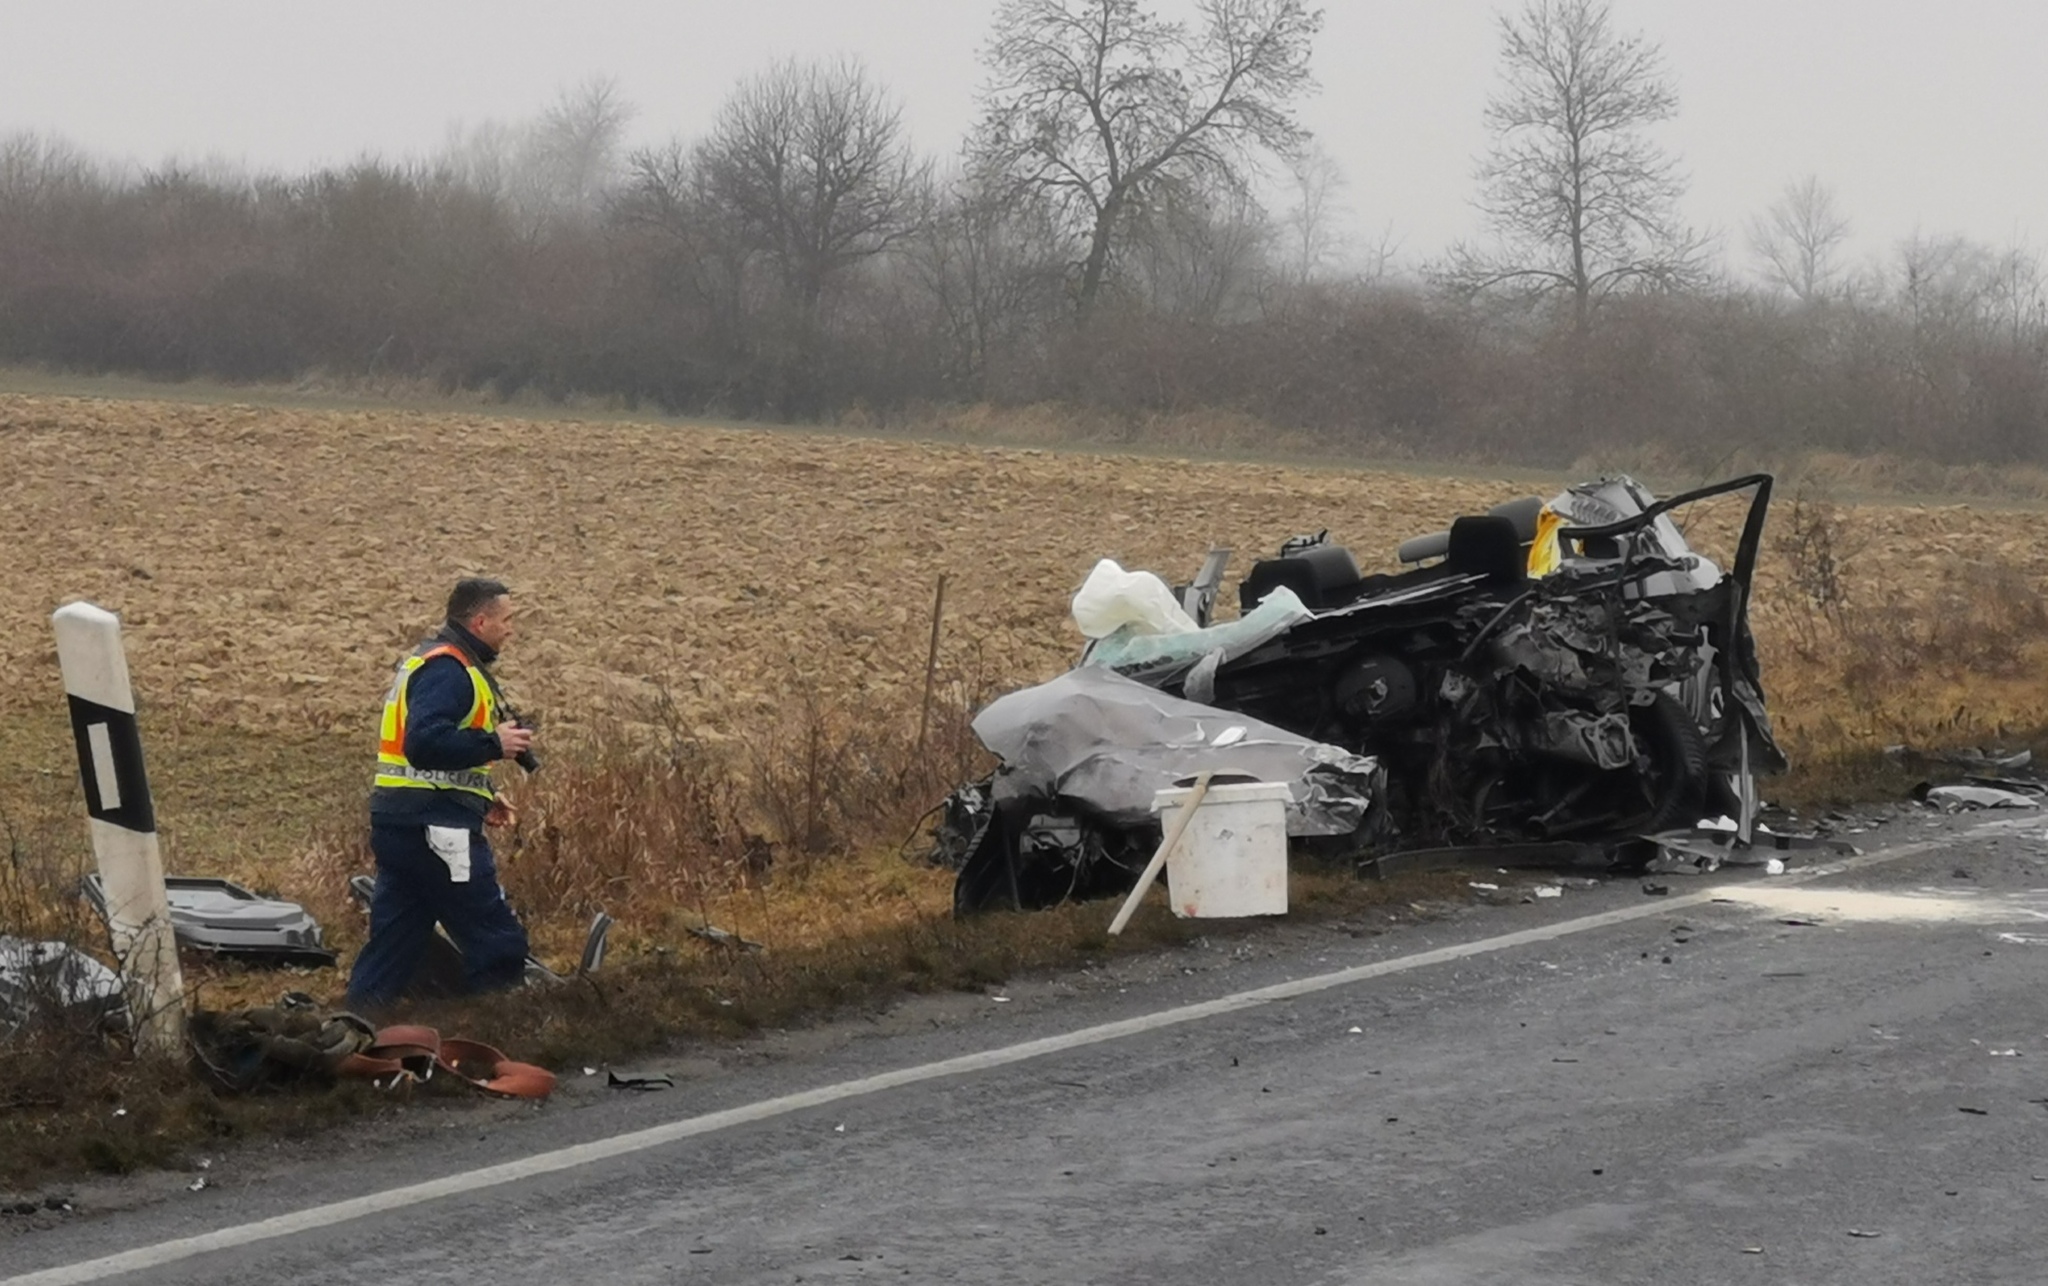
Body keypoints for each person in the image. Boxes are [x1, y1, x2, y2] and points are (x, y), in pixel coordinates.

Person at [346, 578, 537, 1008]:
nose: (511, 630)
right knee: (494, 936)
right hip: (437, 828)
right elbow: (424, 743)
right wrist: (496, 744)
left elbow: (424, 760)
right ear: (480, 620)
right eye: (507, 621)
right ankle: (505, 1029)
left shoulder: (430, 660)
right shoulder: (450, 671)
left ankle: (357, 1028)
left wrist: (483, 793)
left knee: (394, 944)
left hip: (401, 822)